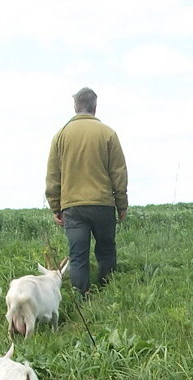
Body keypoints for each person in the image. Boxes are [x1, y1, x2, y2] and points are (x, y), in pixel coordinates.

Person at [45, 87, 128, 297]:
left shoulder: (60, 136)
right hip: (103, 204)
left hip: (73, 207)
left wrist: (55, 206)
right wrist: (121, 204)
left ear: (75, 107)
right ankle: (108, 293)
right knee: (106, 249)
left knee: (78, 254)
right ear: (95, 107)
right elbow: (118, 172)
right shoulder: (108, 133)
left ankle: (82, 295)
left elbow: (53, 174)